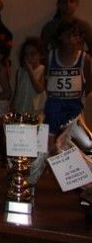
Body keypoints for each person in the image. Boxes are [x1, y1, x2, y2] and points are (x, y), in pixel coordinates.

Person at [43, 20, 92, 148]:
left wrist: (77, 97)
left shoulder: (85, 59)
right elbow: (46, 81)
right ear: (60, 36)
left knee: (80, 146)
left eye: (74, 36)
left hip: (74, 110)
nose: (71, 40)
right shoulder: (50, 56)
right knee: (48, 147)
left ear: (80, 38)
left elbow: (88, 84)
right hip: (53, 110)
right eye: (67, 35)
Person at [12, 37, 46, 116]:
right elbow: (17, 91)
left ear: (40, 55)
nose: (28, 57)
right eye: (26, 54)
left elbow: (39, 89)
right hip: (21, 107)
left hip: (35, 109)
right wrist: (13, 106)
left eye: (32, 54)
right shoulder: (20, 71)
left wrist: (30, 71)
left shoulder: (42, 69)